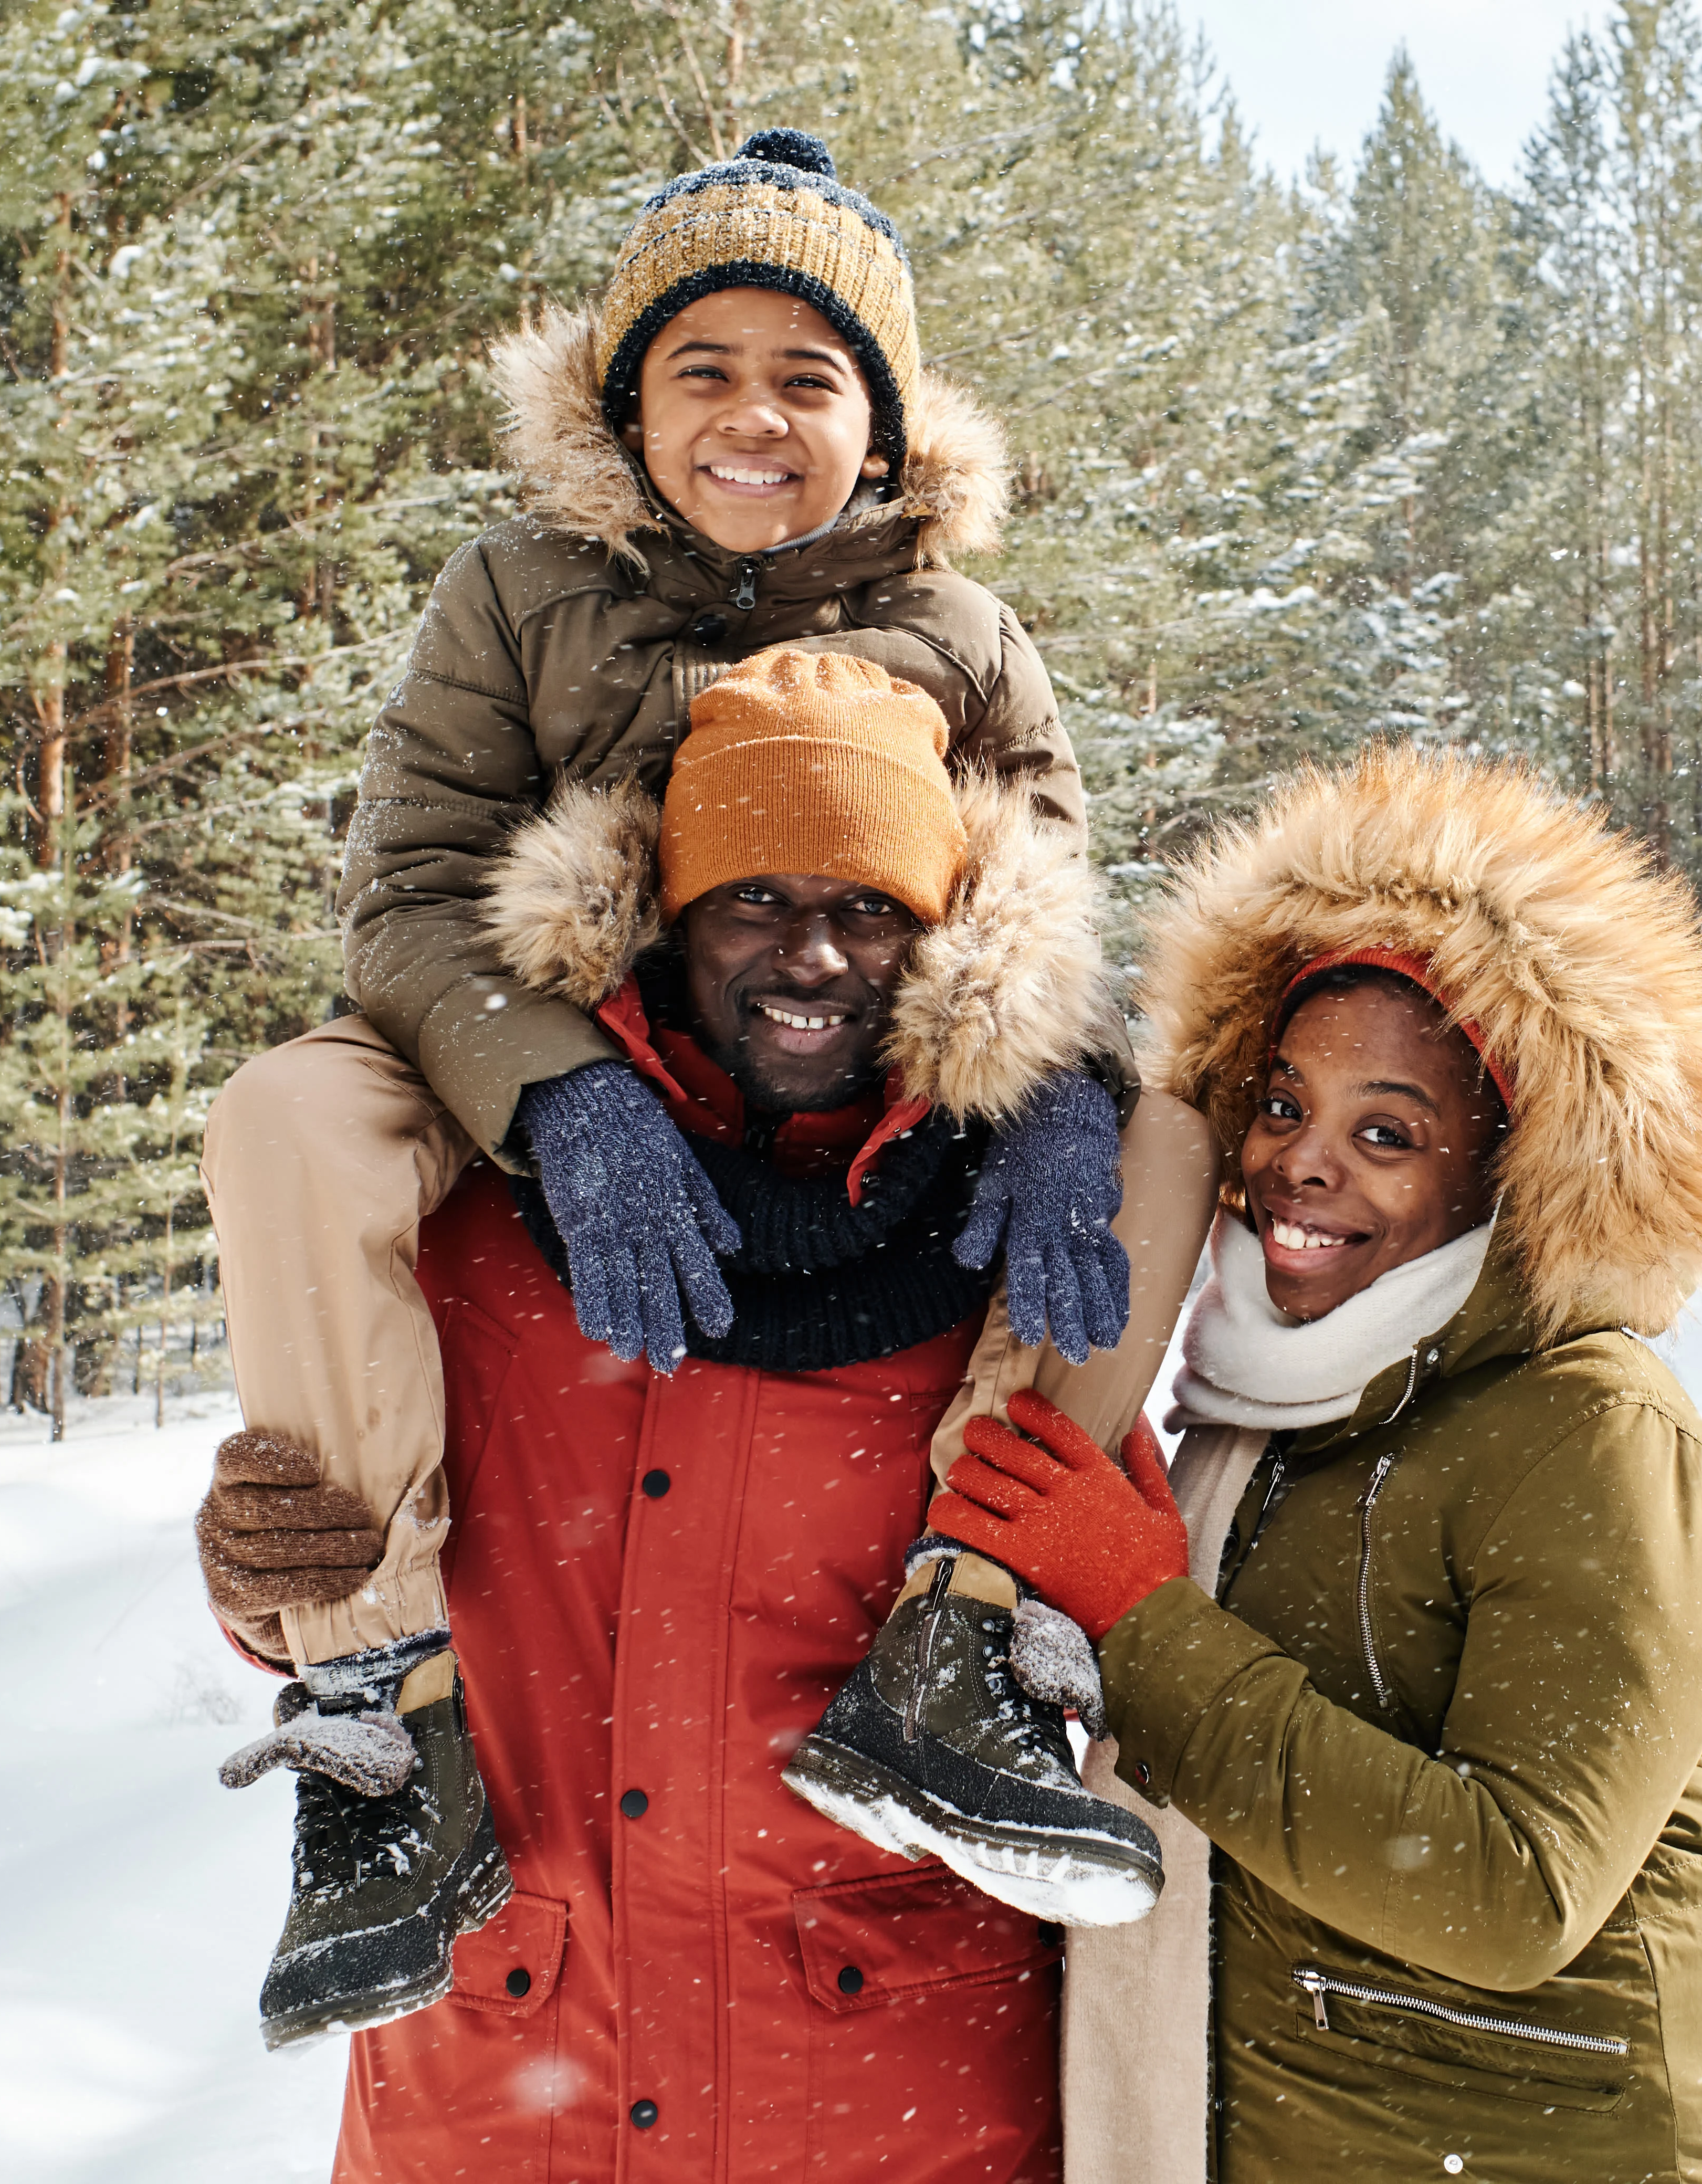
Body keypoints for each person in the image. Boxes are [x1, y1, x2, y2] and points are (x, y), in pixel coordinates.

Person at [192, 132, 1208, 2046]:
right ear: (626, 402)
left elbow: (1052, 891)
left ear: (884, 424)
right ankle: (371, 1718)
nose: (755, 417)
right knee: (286, 1116)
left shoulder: (966, 633)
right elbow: (410, 891)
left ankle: (968, 1637)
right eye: (705, 371)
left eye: (808, 379)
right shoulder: (518, 593)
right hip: (552, 1036)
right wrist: (563, 1096)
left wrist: (1057, 1082)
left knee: (1152, 1139)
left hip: (858, 1044)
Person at [247, 653, 1165, 2177]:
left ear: (943, 939)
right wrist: (273, 1574)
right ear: (666, 918)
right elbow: (373, 1521)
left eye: (870, 908)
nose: (811, 956)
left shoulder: (1017, 1245)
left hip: (882, 2097)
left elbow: (1108, 1613)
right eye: (753, 899)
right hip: (510, 2082)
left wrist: (1118, 1572)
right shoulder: (474, 1223)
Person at [930, 748, 1702, 2184]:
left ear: (1509, 1166)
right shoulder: (1259, 1408)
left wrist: (1147, 1626)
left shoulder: (1590, 1433)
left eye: (1385, 1132)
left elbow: (1513, 1891)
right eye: (1280, 1106)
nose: (1303, 1165)